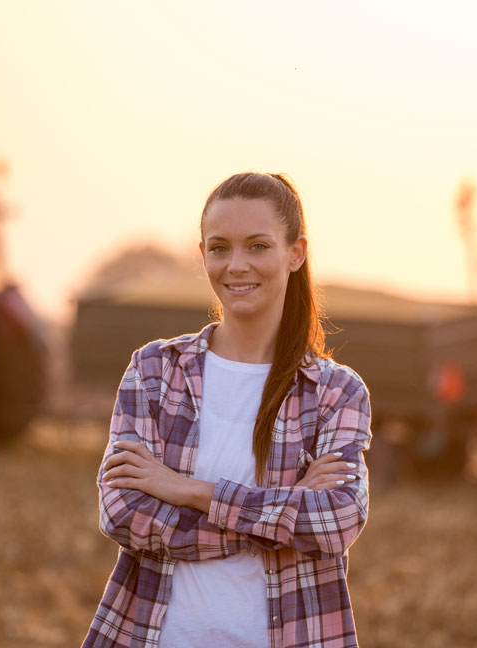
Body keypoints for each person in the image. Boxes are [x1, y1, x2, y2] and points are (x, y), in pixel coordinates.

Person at [81, 172, 371, 648]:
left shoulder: (334, 392)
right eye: (219, 248)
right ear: (202, 255)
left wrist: (187, 489)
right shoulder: (155, 370)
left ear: (295, 253)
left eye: (258, 246)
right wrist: (282, 522)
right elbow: (122, 511)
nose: (236, 265)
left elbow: (337, 519)